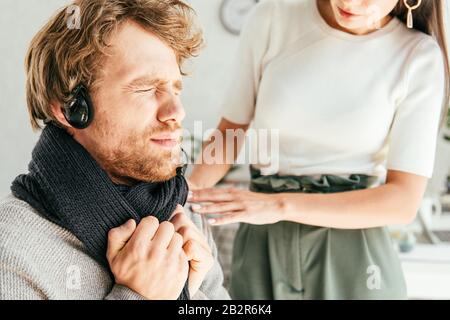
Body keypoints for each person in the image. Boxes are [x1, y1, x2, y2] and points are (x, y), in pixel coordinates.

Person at [188, 0, 449, 299]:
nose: (350, 2)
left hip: (353, 255)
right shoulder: (273, 17)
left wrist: (278, 205)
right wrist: (183, 197)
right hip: (261, 245)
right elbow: (230, 133)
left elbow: (402, 202)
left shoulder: (418, 56)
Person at [0, 0, 229, 300]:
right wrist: (138, 295)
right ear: (71, 108)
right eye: (146, 88)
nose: (177, 111)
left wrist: (190, 291)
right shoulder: (13, 251)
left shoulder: (181, 213)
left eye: (175, 89)